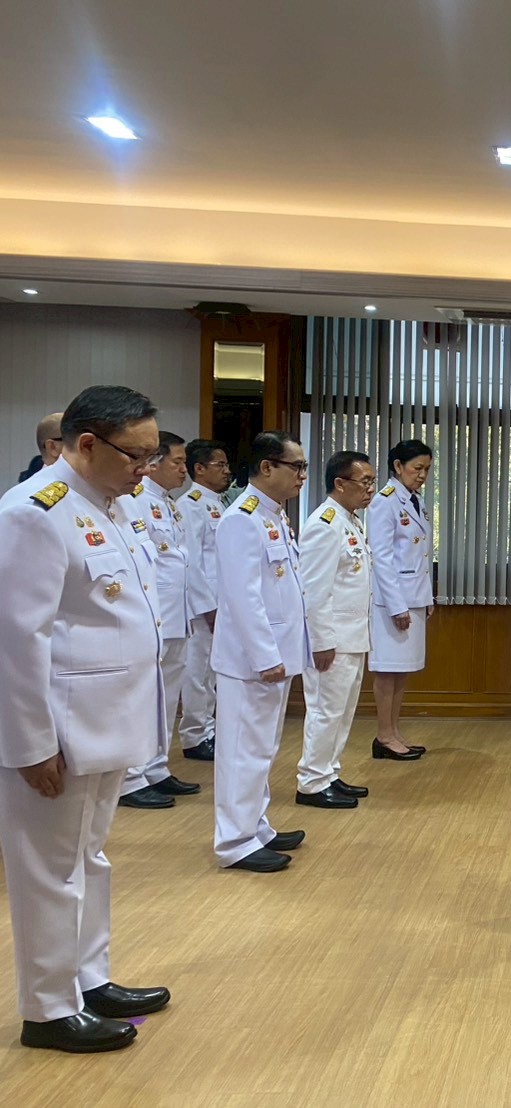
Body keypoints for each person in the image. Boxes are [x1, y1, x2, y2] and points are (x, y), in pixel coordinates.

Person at [0, 385, 171, 1053]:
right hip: (59, 733)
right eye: (137, 456)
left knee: (89, 858)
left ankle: (88, 978)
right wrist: (30, 744)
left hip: (105, 722)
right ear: (88, 444)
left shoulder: (108, 504)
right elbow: (18, 641)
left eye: (152, 456)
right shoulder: (34, 513)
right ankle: (48, 1009)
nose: (146, 470)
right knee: (50, 870)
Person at [211, 432, 309, 873]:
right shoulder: (241, 518)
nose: (302, 475)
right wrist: (265, 656)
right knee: (241, 751)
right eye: (296, 466)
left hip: (275, 654)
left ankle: (255, 826)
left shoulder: (272, 515)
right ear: (267, 467)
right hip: (251, 660)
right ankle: (234, 841)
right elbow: (242, 596)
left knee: (262, 749)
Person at [119, 432, 201, 809]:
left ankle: (156, 767)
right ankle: (131, 776)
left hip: (176, 613)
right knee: (143, 697)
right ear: (154, 464)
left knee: (167, 696)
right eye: (178, 462)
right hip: (153, 615)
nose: (184, 469)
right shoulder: (135, 500)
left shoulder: (168, 503)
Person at [296, 450, 375, 809]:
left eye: (372, 482)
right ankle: (311, 782)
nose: (370, 489)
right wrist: (321, 641)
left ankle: (328, 772)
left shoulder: (350, 521)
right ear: (340, 484)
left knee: (342, 712)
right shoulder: (324, 524)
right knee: (325, 711)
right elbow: (314, 590)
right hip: (333, 640)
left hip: (353, 636)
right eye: (365, 482)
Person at [367, 439, 434, 760]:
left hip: (414, 597)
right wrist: (397, 606)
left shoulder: (415, 500)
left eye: (427, 469)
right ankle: (383, 735)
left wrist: (427, 596)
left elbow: (420, 555)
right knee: (387, 669)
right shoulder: (384, 501)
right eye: (417, 468)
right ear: (397, 466)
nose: (422, 475)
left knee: (402, 669)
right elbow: (381, 558)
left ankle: (393, 732)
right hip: (392, 603)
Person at [178, 439, 231, 763]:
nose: (226, 471)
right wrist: (207, 606)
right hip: (203, 607)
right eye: (219, 465)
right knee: (197, 671)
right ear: (199, 469)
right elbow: (192, 562)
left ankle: (209, 731)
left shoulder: (219, 504)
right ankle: (195, 735)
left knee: (213, 672)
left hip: (221, 602)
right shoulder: (191, 504)